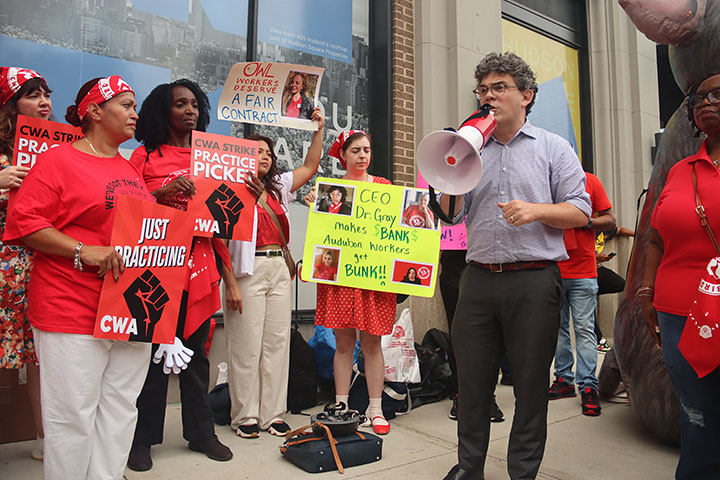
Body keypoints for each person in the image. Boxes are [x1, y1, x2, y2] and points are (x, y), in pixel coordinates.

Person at [438, 52, 591, 480]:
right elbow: (452, 216)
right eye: (482, 89)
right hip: (478, 280)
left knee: (529, 385)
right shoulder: (472, 150)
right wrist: (450, 173)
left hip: (534, 281)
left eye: (499, 87)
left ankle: (522, 472)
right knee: (472, 385)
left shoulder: (553, 147)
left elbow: (581, 211)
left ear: (526, 95)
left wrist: (537, 211)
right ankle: (469, 468)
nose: (488, 96)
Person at [3, 75, 156, 480]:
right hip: (71, 306)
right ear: (94, 111)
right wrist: (81, 249)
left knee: (121, 409)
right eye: (126, 104)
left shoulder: (129, 169)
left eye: (134, 105)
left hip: (128, 311)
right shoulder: (57, 161)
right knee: (71, 417)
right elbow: (25, 223)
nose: (134, 113)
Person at [126, 79, 236, 471]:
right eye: (180, 104)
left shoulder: (211, 157)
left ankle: (201, 434)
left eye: (194, 104)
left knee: (196, 356)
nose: (189, 110)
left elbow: (222, 221)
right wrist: (162, 192)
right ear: (163, 111)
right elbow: (124, 207)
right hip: (154, 267)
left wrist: (247, 194)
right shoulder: (143, 156)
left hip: (199, 267)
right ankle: (142, 439)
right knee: (151, 357)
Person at [639, 71, 720, 480]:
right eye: (697, 99)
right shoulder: (679, 171)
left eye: (716, 94)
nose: (704, 103)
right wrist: (646, 292)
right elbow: (657, 238)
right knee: (696, 412)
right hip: (677, 313)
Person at [224, 107, 324, 438]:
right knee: (246, 345)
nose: (265, 156)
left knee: (277, 344)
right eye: (258, 151)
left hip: (279, 268)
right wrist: (230, 283)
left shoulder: (279, 186)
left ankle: (273, 414)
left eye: (268, 152)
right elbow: (216, 238)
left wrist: (318, 130)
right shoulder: (229, 188)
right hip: (247, 270)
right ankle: (245, 416)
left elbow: (310, 166)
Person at [306, 129, 396, 435]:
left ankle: (375, 409)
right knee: (343, 343)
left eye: (366, 150)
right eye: (356, 150)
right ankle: (341, 405)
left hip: (372, 278)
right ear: (343, 155)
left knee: (372, 344)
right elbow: (323, 237)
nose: (362, 155)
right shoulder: (332, 191)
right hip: (341, 279)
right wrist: (315, 208)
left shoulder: (384, 188)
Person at [0, 66, 51, 461]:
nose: (44, 102)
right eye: (33, 95)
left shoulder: (59, 151)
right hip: (4, 271)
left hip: (43, 266)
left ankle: (46, 437)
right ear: (10, 105)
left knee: (41, 358)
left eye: (46, 94)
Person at [549, 172, 615, 417]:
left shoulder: (590, 181)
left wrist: (586, 222)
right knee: (558, 329)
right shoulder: (546, 180)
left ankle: (588, 386)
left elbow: (610, 220)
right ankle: (564, 380)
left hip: (583, 271)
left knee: (585, 329)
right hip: (552, 270)